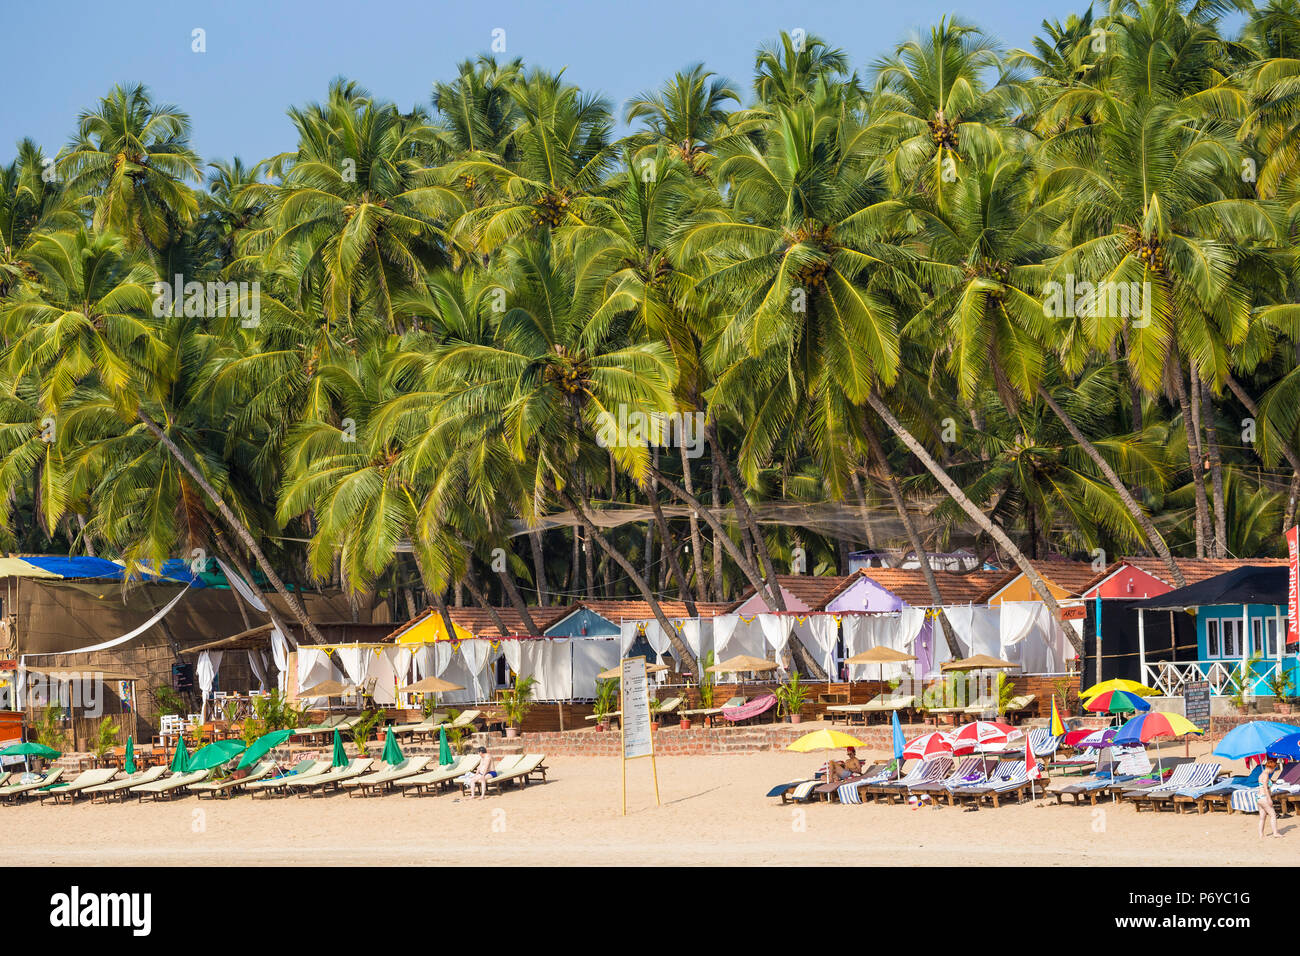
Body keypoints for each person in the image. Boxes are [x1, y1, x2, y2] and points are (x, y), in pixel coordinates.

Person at [1257, 758, 1281, 839]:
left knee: (1262, 817)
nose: (1273, 771)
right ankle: (1275, 833)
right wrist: (1269, 799)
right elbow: (1265, 787)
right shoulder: (1266, 775)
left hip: (1259, 798)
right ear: (1271, 768)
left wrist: (1272, 782)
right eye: (1274, 769)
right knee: (1273, 815)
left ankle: (1261, 834)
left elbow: (1264, 783)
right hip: (1264, 797)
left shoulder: (1262, 774)